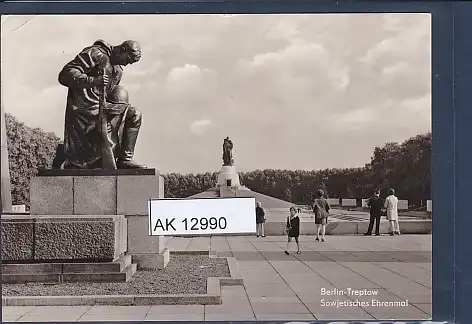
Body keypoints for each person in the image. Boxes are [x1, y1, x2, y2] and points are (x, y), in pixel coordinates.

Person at [57, 39, 145, 169]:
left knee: (135, 114)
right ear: (123, 50)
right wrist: (92, 80)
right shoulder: (96, 53)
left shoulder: (118, 70)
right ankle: (70, 154)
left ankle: (125, 159)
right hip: (84, 110)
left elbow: (109, 93)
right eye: (128, 59)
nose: (127, 64)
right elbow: (65, 74)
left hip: (103, 107)